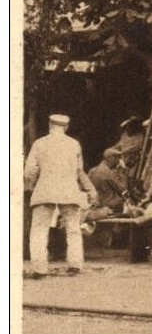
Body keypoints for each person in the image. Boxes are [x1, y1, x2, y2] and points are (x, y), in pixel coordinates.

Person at [24, 114, 99, 279]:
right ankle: (75, 266)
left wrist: (31, 186)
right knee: (73, 229)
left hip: (45, 190)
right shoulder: (74, 145)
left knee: (39, 230)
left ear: (50, 124)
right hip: (69, 191)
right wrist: (91, 190)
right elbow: (80, 172)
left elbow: (30, 171)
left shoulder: (40, 143)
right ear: (66, 127)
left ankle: (39, 269)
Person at [88, 147, 128, 214]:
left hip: (97, 206)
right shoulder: (107, 172)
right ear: (111, 158)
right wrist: (123, 172)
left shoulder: (92, 171)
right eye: (117, 158)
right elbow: (123, 189)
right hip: (110, 207)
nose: (118, 161)